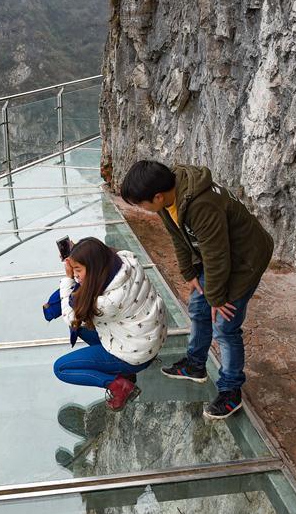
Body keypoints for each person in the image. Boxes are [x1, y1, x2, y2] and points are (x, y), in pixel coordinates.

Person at [120, 161, 273, 420]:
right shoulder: (170, 199)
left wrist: (217, 298)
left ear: (157, 196)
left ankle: (230, 390)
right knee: (198, 308)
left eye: (140, 204)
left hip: (245, 260)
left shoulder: (201, 205)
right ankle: (195, 364)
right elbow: (178, 237)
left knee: (225, 327)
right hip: (216, 256)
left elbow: (218, 257)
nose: (140, 209)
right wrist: (189, 273)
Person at [52, 237, 168, 411]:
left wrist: (68, 280)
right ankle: (126, 374)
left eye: (78, 270)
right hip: (148, 339)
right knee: (83, 328)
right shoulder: (125, 260)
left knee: (61, 368)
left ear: (93, 268)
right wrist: (79, 254)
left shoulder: (107, 303)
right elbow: (98, 257)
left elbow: (71, 318)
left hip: (135, 356)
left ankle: (120, 386)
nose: (75, 274)